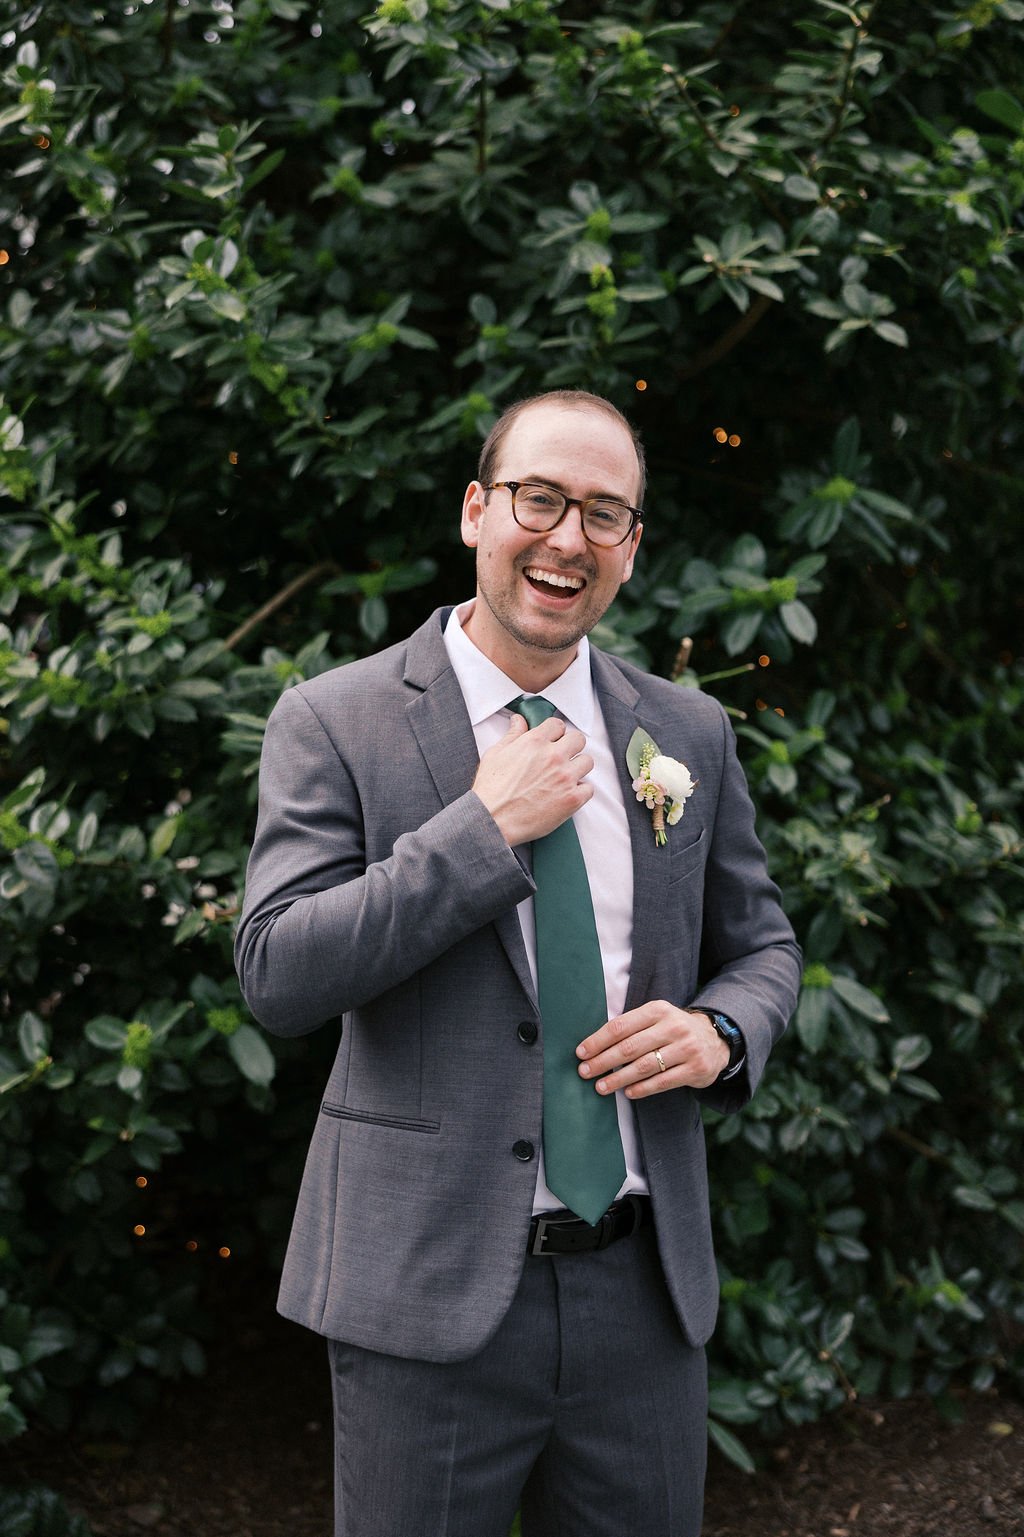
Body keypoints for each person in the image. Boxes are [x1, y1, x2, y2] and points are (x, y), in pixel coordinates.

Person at [234, 389, 801, 1537]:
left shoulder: (684, 734)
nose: (566, 538)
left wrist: (721, 1031)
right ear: (474, 512)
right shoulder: (335, 720)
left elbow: (763, 949)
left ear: (631, 548)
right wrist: (478, 834)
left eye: (604, 514)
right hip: (423, 1296)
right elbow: (278, 972)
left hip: (641, 1300)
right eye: (539, 499)